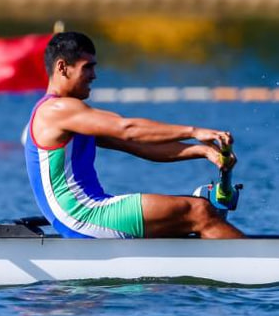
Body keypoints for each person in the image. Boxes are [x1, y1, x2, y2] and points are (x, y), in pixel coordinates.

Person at [24, 31, 243, 239]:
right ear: (62, 67)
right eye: (87, 67)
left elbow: (140, 145)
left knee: (186, 216)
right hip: (83, 215)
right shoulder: (56, 110)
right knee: (199, 210)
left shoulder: (74, 117)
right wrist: (194, 131)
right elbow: (127, 129)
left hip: (90, 210)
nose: (94, 75)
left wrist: (203, 151)